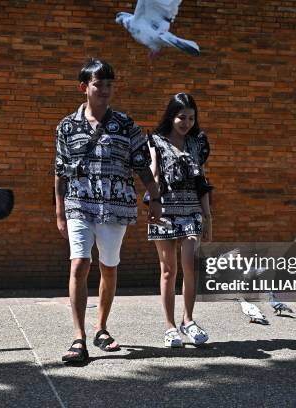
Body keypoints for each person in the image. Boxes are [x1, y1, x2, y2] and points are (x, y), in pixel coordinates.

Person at [54, 59, 162, 363]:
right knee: (79, 264)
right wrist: (60, 212)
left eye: (109, 84)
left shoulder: (126, 125)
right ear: (84, 87)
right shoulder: (66, 126)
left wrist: (154, 198)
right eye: (98, 84)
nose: (104, 89)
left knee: (109, 267)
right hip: (79, 203)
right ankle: (79, 338)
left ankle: (101, 327)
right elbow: (60, 171)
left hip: (115, 205)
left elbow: (142, 165)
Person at [146, 93, 213, 347]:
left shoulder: (197, 144)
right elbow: (152, 173)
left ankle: (189, 321)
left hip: (192, 209)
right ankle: (170, 327)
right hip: (165, 208)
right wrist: (152, 203)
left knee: (190, 264)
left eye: (191, 118)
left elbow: (202, 181)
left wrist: (207, 216)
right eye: (181, 117)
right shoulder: (156, 141)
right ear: (171, 116)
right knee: (168, 270)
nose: (186, 122)